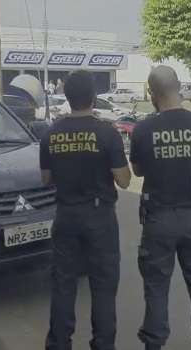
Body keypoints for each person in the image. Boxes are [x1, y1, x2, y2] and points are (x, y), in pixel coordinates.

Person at [130, 66, 191, 350]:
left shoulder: (144, 129)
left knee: (156, 290)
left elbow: (138, 170)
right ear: (178, 86)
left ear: (152, 93)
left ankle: (154, 345)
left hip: (159, 222)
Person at [40, 70, 131, 350]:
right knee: (103, 287)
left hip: (66, 215)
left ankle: (58, 344)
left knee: (63, 284)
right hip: (99, 217)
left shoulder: (51, 134)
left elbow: (46, 180)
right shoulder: (107, 133)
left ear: (67, 97)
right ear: (93, 97)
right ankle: (103, 345)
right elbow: (124, 180)